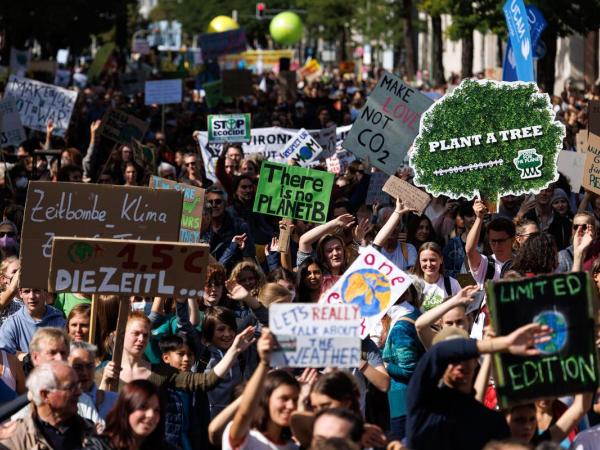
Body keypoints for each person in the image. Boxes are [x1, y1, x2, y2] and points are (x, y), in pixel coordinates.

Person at [406, 323, 552, 450]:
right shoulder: (423, 404)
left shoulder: (490, 421)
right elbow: (438, 352)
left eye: (465, 357)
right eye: (451, 358)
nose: (460, 364)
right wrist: (504, 343)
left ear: (476, 361)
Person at [223, 328, 300, 450]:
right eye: (284, 398)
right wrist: (264, 362)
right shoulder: (246, 438)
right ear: (266, 399)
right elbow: (244, 413)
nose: (291, 406)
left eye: (296, 400)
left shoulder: (293, 447)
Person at [0, 361, 96, 450]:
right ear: (45, 395)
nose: (79, 392)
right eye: (70, 387)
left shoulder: (91, 432)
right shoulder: (16, 439)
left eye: (78, 386)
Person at [382, 283, 425, 441]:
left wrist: (384, 364)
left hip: (402, 399)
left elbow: (408, 369)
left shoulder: (401, 326)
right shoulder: (415, 313)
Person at [92, 379, 170, 450]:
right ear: (126, 409)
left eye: (156, 410)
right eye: (143, 407)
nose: (151, 415)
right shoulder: (98, 446)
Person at [0, 288, 66, 355]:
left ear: (45, 292)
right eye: (26, 291)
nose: (32, 296)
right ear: (20, 293)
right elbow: (4, 356)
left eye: (36, 290)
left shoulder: (59, 322)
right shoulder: (11, 324)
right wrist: (22, 357)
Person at [68, 340, 118, 420]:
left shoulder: (114, 401)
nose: (85, 373)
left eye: (89, 366)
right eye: (78, 367)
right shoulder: (64, 405)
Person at [413, 242, 461, 311]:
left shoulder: (452, 283)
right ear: (419, 261)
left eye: (432, 260)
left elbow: (461, 309)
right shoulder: (413, 285)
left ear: (441, 259)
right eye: (424, 260)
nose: (429, 264)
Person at [372, 199, 417, 271]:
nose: (393, 228)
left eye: (397, 224)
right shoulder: (372, 250)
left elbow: (412, 276)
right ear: (379, 226)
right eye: (389, 224)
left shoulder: (409, 249)